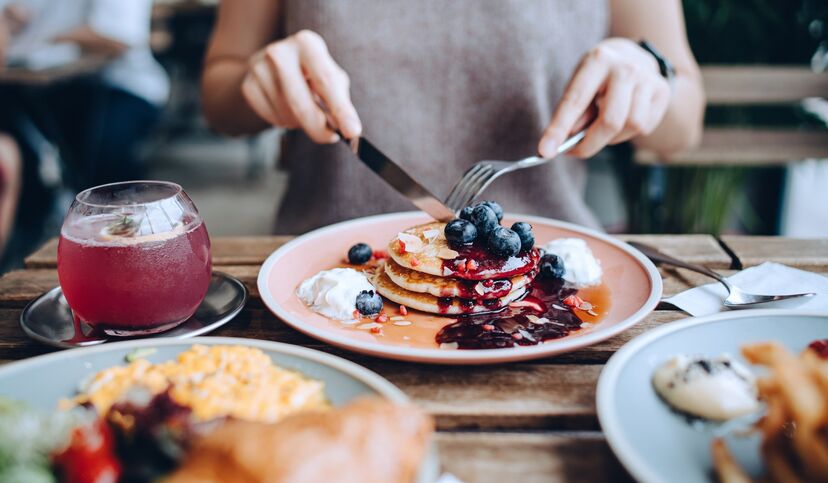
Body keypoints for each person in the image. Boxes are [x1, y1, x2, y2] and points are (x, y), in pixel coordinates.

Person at [202, 0, 705, 234]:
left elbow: (683, 126)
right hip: (318, 277)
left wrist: (650, 76)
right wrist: (258, 82)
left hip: (548, 289)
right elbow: (219, 97)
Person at [0, 0, 169, 190]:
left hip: (125, 87)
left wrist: (44, 39)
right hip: (52, 87)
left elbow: (117, 39)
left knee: (105, 162)